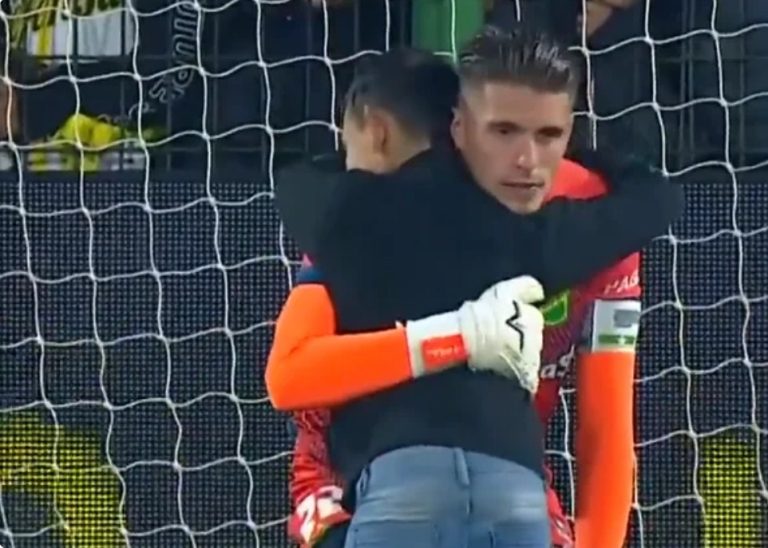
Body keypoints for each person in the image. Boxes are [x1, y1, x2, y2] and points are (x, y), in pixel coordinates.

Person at [269, 29, 681, 547]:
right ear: (457, 129)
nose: (527, 160)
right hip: (348, 478)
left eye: (548, 135)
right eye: (504, 132)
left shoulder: (592, 221)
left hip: (510, 474)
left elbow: (606, 436)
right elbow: (292, 375)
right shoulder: (365, 203)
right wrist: (457, 339)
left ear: (570, 131)